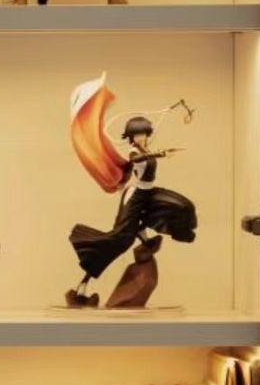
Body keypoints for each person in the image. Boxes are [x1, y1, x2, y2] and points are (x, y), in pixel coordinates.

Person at [66, 114, 197, 307]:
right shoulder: (134, 151)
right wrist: (160, 154)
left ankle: (150, 236)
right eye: (136, 135)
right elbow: (138, 159)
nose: (140, 137)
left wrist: (158, 152)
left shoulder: (145, 148)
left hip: (148, 193)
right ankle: (82, 287)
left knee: (179, 204)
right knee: (120, 240)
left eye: (143, 134)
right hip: (135, 197)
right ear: (130, 137)